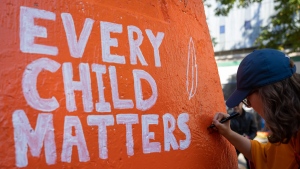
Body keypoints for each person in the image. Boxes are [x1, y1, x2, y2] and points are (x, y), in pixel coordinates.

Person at [212, 49, 300, 169]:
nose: (249, 105)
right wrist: (228, 133)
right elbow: (265, 155)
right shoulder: (288, 132)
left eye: (247, 98)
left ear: (268, 94)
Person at [230, 102, 257, 169]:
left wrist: (248, 137)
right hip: (235, 146)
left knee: (251, 164)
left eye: (237, 104)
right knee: (232, 163)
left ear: (242, 104)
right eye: (233, 105)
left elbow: (254, 131)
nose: (235, 107)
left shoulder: (250, 116)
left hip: (247, 144)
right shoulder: (229, 117)